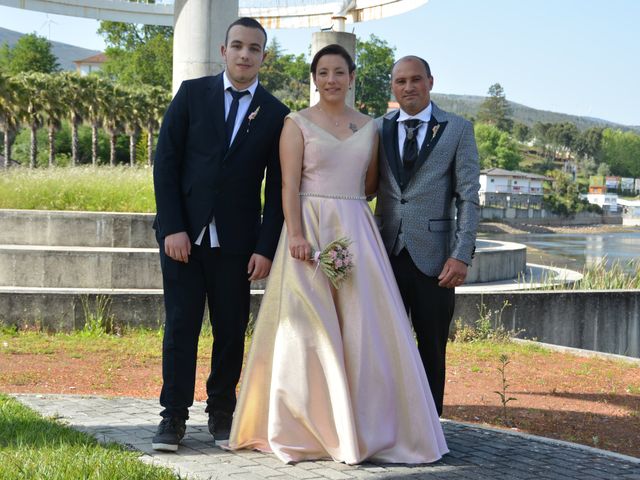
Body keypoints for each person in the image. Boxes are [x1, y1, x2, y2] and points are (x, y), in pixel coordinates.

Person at [226, 45, 448, 465]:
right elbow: (286, 186)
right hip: (307, 230)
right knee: (307, 331)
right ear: (314, 78)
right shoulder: (296, 123)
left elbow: (368, 185)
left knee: (364, 330)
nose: (331, 79)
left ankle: (364, 426)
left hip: (356, 233)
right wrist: (296, 233)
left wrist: (349, 218)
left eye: (339, 72)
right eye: (323, 72)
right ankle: (304, 427)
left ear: (351, 77)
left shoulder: (372, 128)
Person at [151, 17, 289, 451]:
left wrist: (265, 249)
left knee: (230, 332)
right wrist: (173, 227)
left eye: (254, 48)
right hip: (182, 243)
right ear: (223, 49)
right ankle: (172, 418)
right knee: (180, 330)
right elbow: (165, 163)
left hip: (237, 246)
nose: (245, 54)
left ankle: (222, 412)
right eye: (238, 45)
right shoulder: (192, 95)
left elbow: (278, 189)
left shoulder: (276, 114)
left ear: (263, 57)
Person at [374, 56, 480, 417]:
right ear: (393, 86)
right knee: (383, 345)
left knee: (432, 348)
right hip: (384, 255)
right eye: (400, 81)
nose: (408, 87)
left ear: (430, 82)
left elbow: (468, 197)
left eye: (415, 79)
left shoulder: (457, 128)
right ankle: (386, 423)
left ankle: (429, 428)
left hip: (436, 260)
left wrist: (461, 254)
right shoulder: (378, 128)